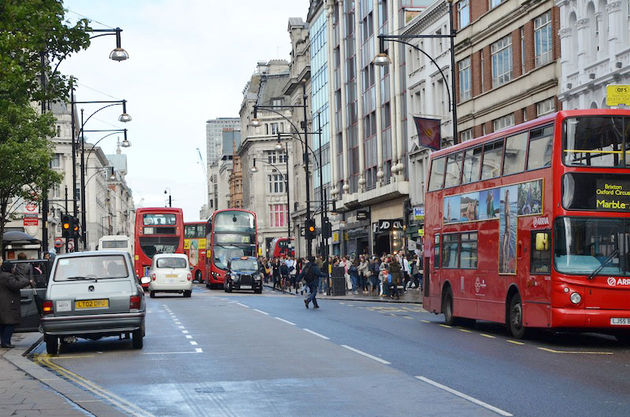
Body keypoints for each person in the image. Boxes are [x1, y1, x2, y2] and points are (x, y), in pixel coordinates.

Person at [0, 258, 33, 348]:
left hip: (3, 303)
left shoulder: (2, 275)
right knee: (10, 323)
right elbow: (16, 285)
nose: (14, 269)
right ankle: (6, 342)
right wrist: (27, 282)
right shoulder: (8, 277)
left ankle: (3, 341)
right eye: (13, 267)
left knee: (3, 324)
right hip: (8, 304)